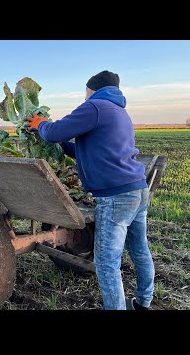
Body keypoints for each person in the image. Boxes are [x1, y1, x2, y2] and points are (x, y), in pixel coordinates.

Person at [23, 70, 154, 310]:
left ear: (92, 89)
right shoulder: (120, 112)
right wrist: (62, 143)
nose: (84, 96)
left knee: (106, 263)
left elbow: (52, 131)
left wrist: (40, 124)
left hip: (115, 195)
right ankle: (143, 302)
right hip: (137, 189)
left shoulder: (95, 107)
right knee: (139, 250)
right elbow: (85, 150)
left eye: (85, 91)